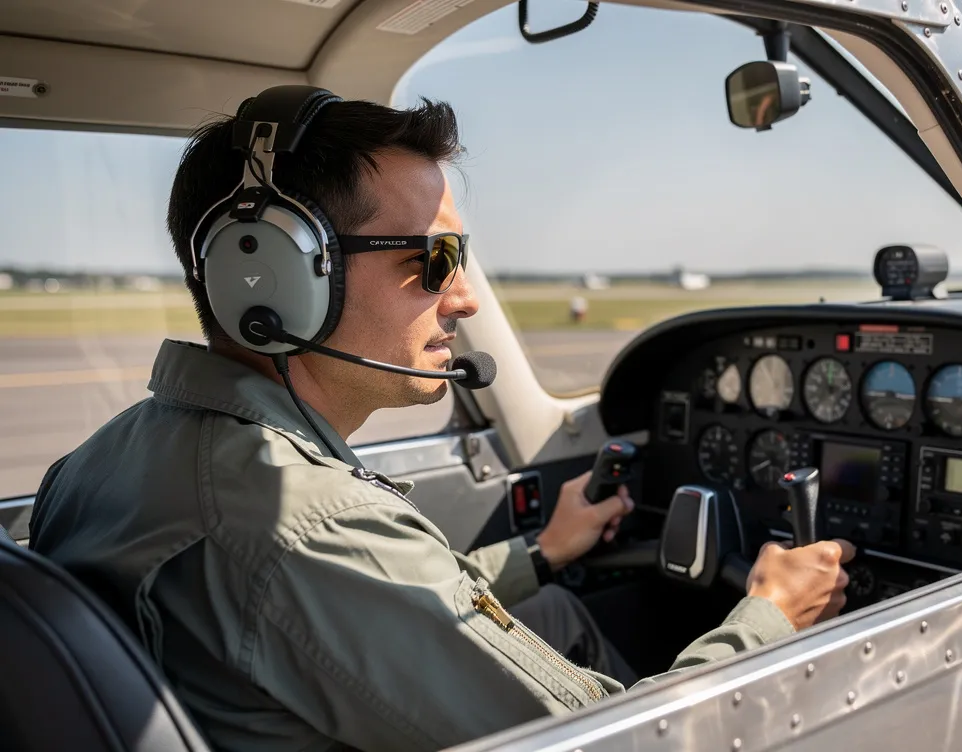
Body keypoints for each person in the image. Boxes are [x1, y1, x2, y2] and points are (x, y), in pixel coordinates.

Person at [28, 89, 854, 752]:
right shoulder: (308, 525)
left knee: (560, 615)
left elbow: (347, 620)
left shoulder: (99, 464)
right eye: (432, 259)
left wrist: (542, 552)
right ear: (271, 278)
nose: (462, 296)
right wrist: (768, 617)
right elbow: (619, 739)